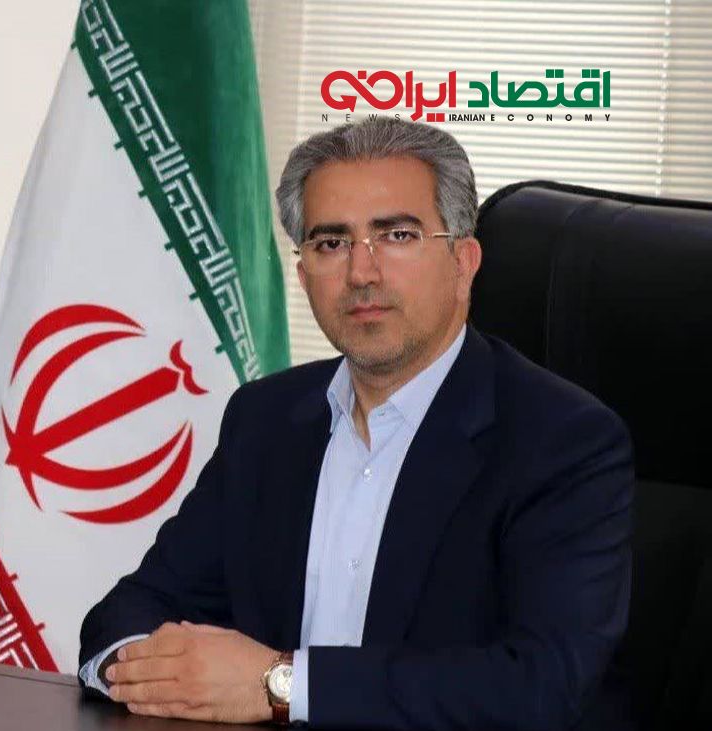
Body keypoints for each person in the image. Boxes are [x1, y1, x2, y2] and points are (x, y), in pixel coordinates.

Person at [76, 117, 634, 730]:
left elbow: (543, 685)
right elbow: (133, 609)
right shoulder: (266, 420)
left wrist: (280, 684)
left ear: (463, 262)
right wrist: (153, 671)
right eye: (330, 243)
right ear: (303, 275)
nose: (361, 273)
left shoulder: (563, 441)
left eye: (396, 235)